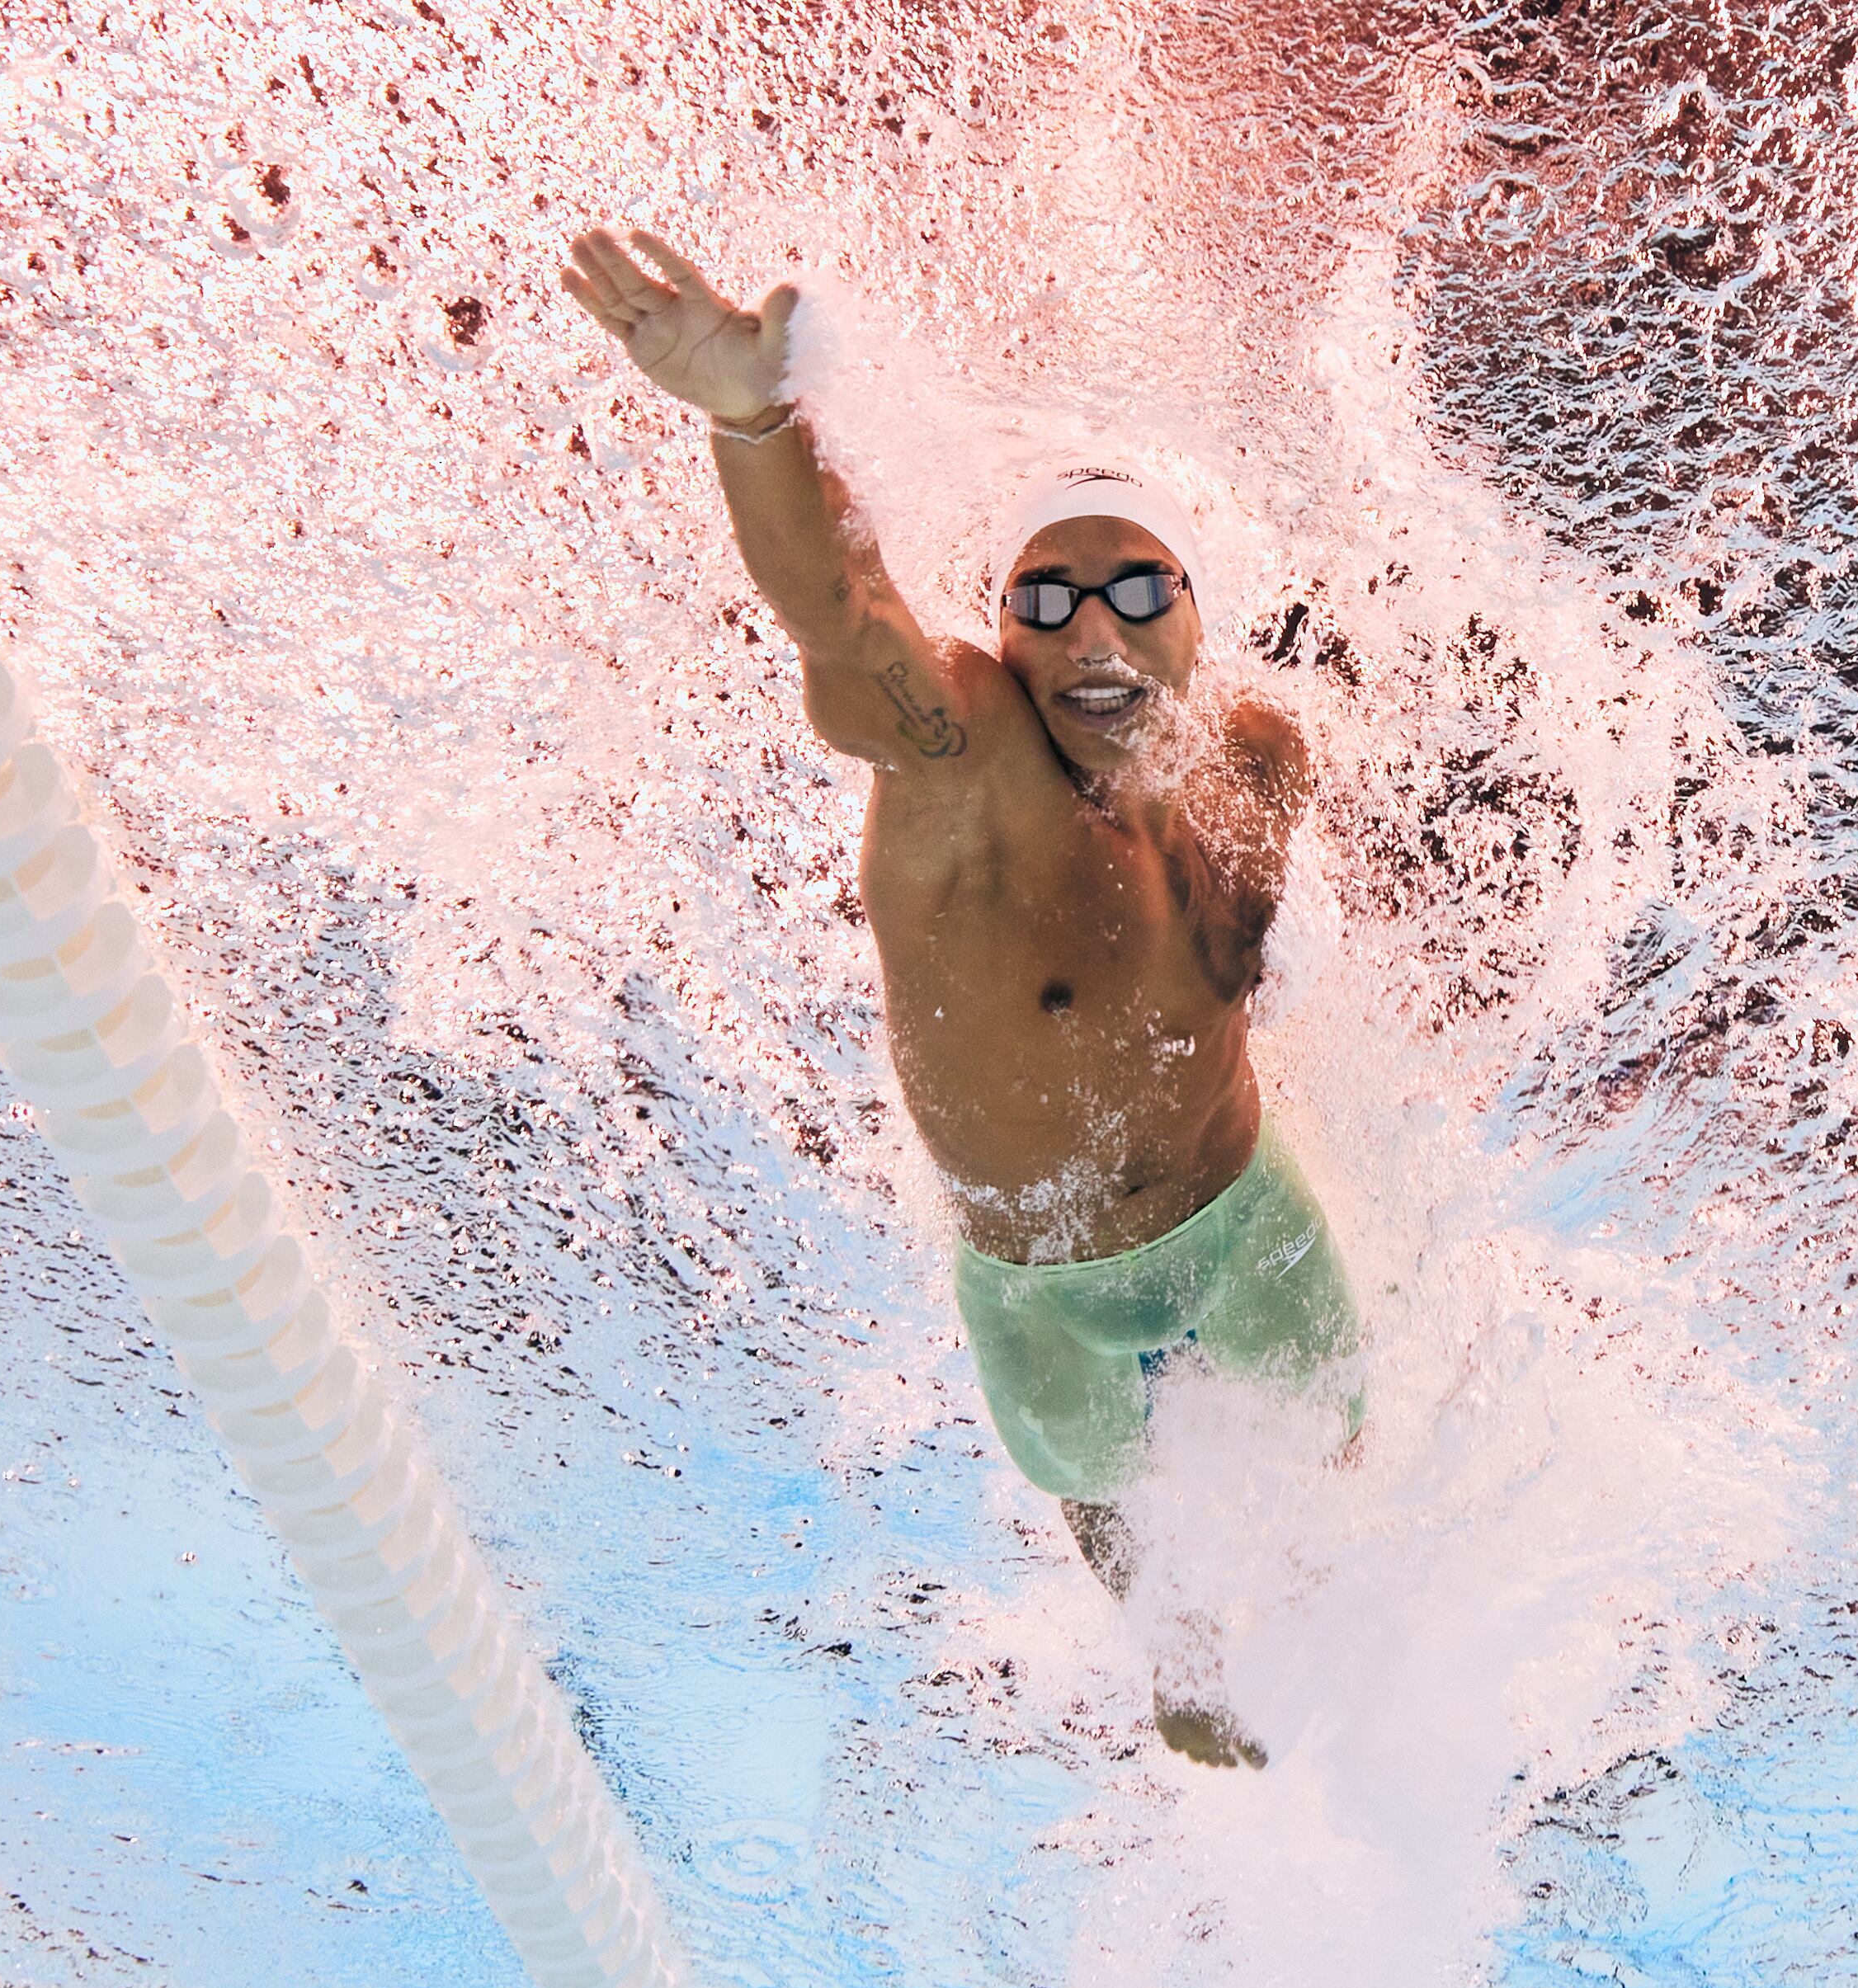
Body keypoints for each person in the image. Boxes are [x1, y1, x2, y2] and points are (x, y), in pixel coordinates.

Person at [561, 228, 1363, 1768]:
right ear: (1000, 637)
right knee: (1104, 1496)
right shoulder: (968, 756)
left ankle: (1315, 1644)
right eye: (1046, 605)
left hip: (1241, 1208)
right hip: (1042, 1284)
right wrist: (755, 422)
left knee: (1332, 1448)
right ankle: (1176, 1660)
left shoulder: (1256, 758)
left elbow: (1241, 951)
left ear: (1201, 615)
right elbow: (846, 620)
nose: (1094, 635)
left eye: (1138, 590)